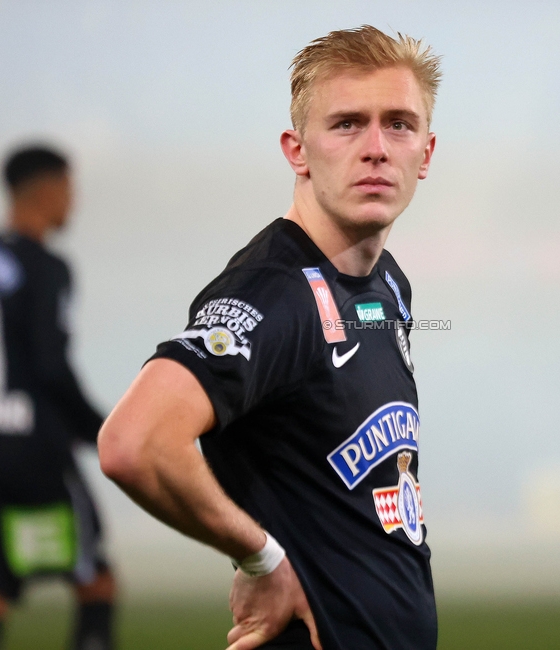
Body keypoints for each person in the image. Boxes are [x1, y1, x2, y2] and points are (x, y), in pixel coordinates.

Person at [98, 25, 440, 650]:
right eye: (345, 124)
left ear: (427, 150)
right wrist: (261, 559)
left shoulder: (387, 284)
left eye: (398, 123)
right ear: (297, 150)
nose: (376, 147)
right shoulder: (273, 291)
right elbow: (133, 442)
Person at [0, 145, 117, 650]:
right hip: (30, 444)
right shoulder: (46, 266)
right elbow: (49, 366)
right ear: (51, 188)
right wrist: (100, 429)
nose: (72, 203)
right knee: (94, 578)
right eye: (70, 190)